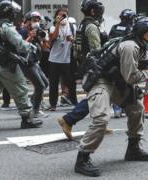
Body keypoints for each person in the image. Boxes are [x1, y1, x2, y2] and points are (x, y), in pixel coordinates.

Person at [74, 14, 148, 176]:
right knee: (101, 118)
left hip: (116, 81)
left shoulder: (139, 46)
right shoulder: (131, 46)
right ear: (141, 33)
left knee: (136, 108)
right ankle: (82, 158)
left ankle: (133, 148)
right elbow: (132, 77)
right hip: (101, 81)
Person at [57, 0, 112, 140]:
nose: (101, 14)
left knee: (100, 96)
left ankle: (100, 124)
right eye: (99, 11)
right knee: (98, 95)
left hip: (85, 65)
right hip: (94, 67)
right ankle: (68, 120)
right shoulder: (92, 26)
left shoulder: (82, 25)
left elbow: (76, 50)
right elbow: (96, 50)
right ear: (93, 11)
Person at [0, 0, 42, 129]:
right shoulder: (6, 27)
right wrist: (33, 48)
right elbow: (20, 44)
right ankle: (27, 118)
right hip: (7, 64)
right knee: (20, 88)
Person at [48, 7, 77, 111]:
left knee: (70, 82)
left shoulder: (72, 27)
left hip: (67, 60)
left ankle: (74, 102)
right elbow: (53, 38)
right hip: (54, 60)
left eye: (64, 15)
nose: (62, 17)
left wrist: (72, 40)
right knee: (53, 83)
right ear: (56, 16)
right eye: (60, 15)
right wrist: (57, 24)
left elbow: (76, 41)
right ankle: (53, 104)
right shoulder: (52, 27)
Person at [21, 11, 49, 118]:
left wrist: (43, 39)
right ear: (28, 21)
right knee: (40, 85)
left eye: (38, 20)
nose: (36, 22)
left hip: (35, 62)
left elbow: (45, 47)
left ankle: (33, 102)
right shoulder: (23, 31)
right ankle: (35, 110)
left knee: (45, 83)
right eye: (34, 20)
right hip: (26, 63)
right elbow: (20, 47)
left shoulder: (37, 31)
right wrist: (30, 37)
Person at [109, 9, 136, 118]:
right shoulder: (130, 29)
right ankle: (121, 108)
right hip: (125, 59)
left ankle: (118, 108)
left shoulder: (114, 27)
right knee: (127, 83)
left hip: (112, 59)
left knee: (116, 84)